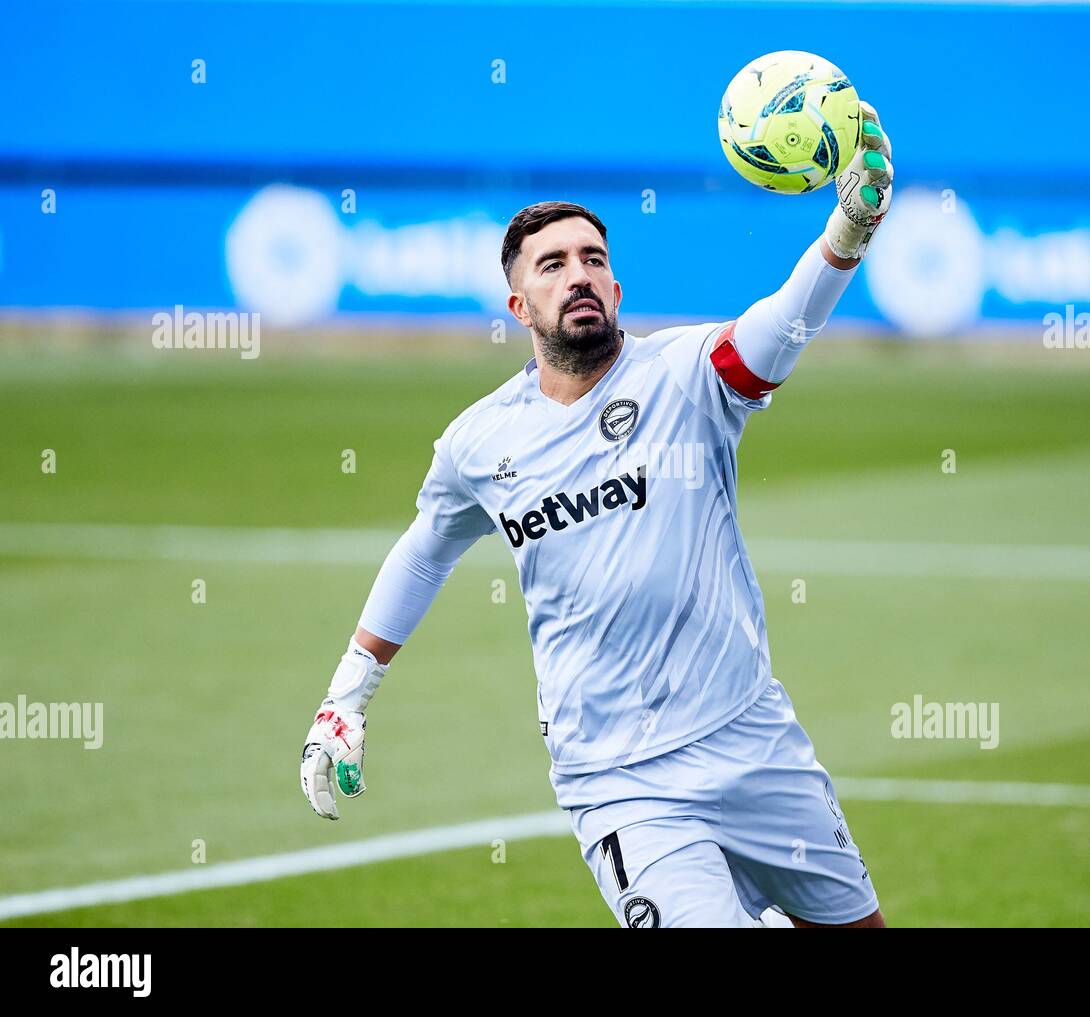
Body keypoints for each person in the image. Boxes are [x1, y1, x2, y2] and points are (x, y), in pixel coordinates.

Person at [301, 102, 894, 928]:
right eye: (551, 265)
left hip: (754, 742)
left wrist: (850, 229)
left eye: (592, 259)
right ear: (519, 305)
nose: (576, 273)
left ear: (615, 289)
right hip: (620, 778)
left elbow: (783, 325)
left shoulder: (689, 376)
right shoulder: (480, 443)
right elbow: (424, 551)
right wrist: (348, 694)